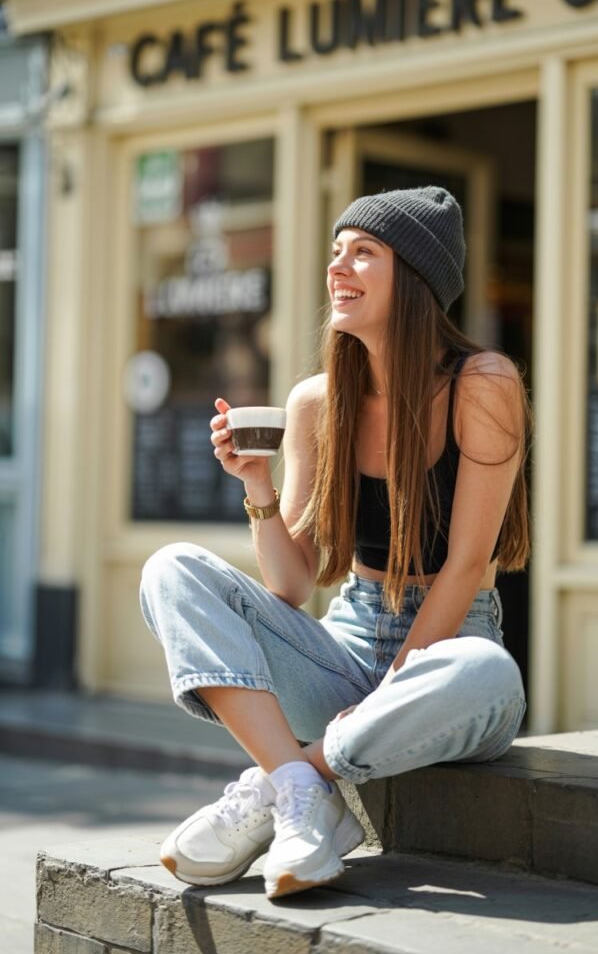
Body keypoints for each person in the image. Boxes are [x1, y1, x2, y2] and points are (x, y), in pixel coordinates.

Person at [140, 185, 530, 901]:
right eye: (335, 253)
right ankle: (298, 789)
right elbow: (293, 585)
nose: (337, 268)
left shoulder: (485, 384)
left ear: (414, 277)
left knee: (488, 671)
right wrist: (256, 482)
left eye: (363, 252)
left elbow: (468, 563)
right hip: (344, 647)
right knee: (170, 570)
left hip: (445, 654)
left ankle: (291, 779)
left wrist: (392, 690)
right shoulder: (317, 402)